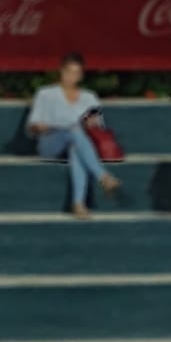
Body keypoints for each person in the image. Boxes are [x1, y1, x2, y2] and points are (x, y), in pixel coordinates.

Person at [26, 52, 121, 219]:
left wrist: (92, 122)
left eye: (76, 73)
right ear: (61, 72)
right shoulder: (46, 94)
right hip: (51, 140)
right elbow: (32, 127)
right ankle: (103, 177)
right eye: (69, 72)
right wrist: (41, 126)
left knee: (76, 148)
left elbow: (98, 126)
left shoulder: (89, 97)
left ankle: (78, 204)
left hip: (79, 142)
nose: (72, 76)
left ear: (81, 75)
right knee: (73, 131)